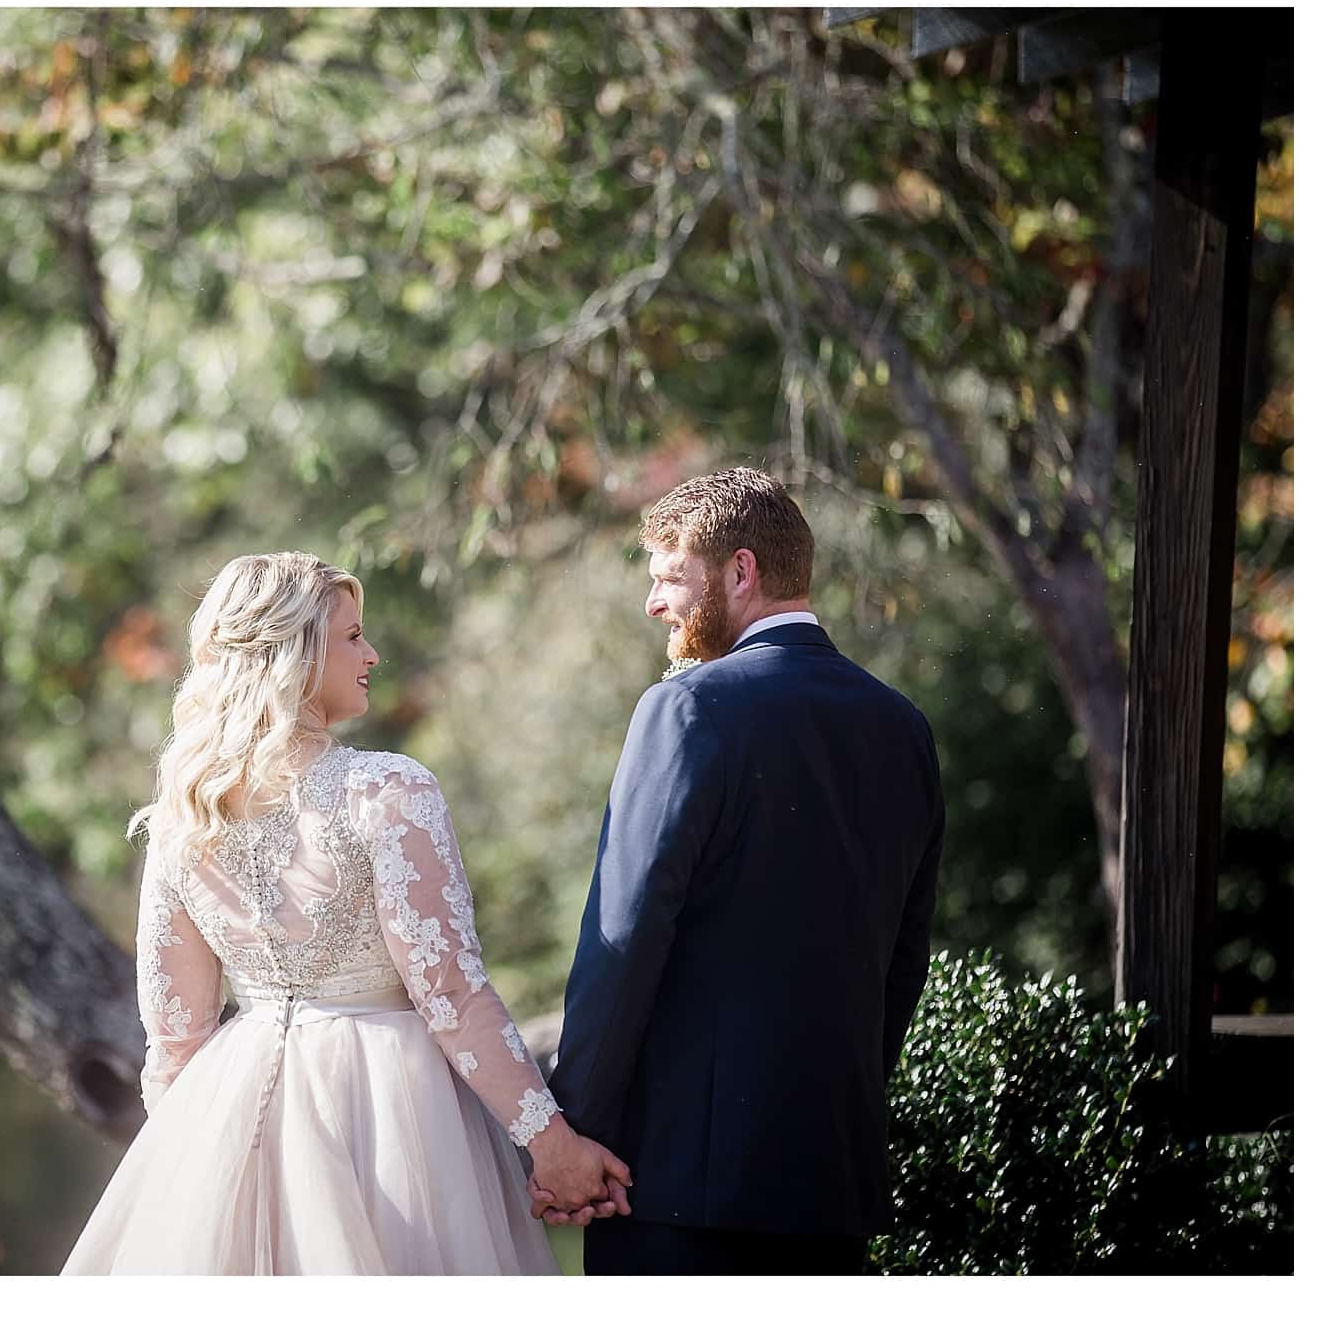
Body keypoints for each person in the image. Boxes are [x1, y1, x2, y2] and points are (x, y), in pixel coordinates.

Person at [62, 551, 629, 1273]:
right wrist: (553, 1145)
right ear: (295, 655)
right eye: (353, 636)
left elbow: (175, 1036)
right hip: (390, 1116)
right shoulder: (389, 791)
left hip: (228, 1105)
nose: (374, 654)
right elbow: (451, 994)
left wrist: (180, 1176)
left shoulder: (186, 816)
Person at [541, 468, 943, 1276]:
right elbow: (904, 959)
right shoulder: (902, 725)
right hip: (832, 1176)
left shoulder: (688, 708)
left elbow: (623, 936)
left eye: (669, 578)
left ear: (741, 571)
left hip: (681, 1182)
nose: (655, 604)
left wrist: (574, 1133)